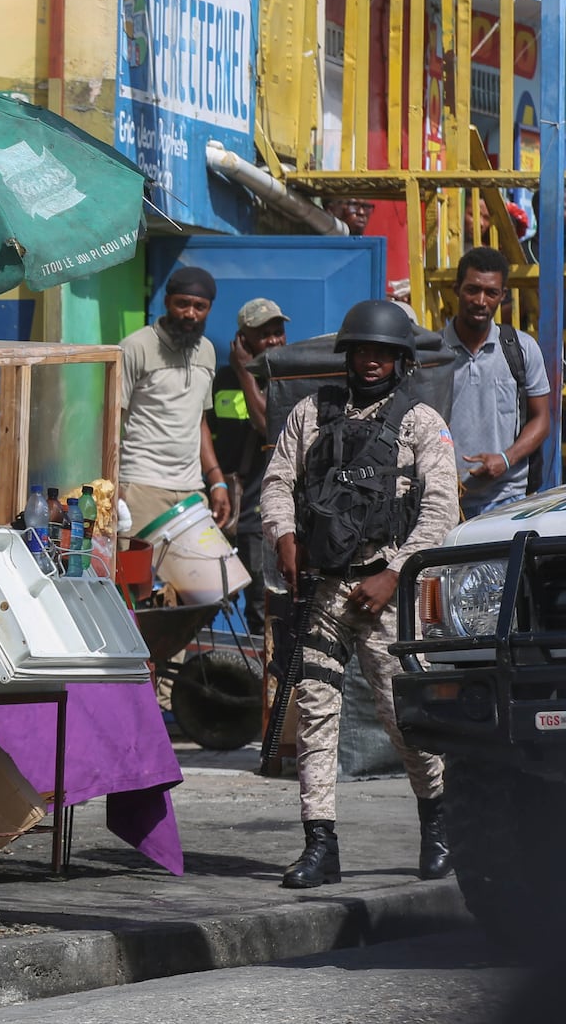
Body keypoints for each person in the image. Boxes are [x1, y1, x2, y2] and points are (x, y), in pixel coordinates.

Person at [261, 299, 459, 889]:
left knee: (404, 717)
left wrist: (395, 572)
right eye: (363, 351)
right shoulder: (310, 414)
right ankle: (320, 843)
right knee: (317, 713)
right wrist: (284, 535)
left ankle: (439, 827)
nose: (371, 362)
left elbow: (442, 511)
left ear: (401, 361)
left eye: (383, 353)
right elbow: (277, 481)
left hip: (387, 594)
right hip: (324, 588)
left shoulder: (423, 422)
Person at [118, 266, 231, 535]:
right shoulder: (136, 347)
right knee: (136, 576)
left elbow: (199, 420)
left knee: (205, 576)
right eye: (182, 304)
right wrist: (113, 485)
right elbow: (112, 417)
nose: (190, 314)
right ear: (167, 302)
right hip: (140, 487)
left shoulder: (207, 351)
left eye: (199, 307)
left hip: (192, 489)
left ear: (209, 309)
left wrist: (217, 481)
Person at [442, 246, 549, 519]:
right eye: (472, 289)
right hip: (443, 502)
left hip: (508, 499)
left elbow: (541, 420)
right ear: (457, 289)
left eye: (491, 293)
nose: (480, 300)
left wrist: (505, 459)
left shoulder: (521, 348)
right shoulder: (431, 354)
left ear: (502, 296)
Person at [211, 297, 289, 634]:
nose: (273, 341)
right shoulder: (221, 380)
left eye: (278, 332)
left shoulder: (283, 382)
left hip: (260, 518)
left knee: (263, 605)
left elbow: (266, 425)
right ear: (242, 340)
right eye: (263, 334)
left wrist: (245, 372)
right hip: (221, 512)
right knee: (211, 602)